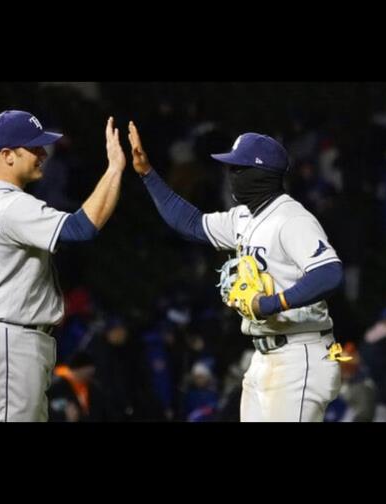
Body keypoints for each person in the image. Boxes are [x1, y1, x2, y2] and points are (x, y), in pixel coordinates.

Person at [127, 122, 347, 422]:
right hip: (264, 356)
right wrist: (147, 174)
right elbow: (190, 223)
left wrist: (270, 303)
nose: (230, 176)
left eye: (237, 169)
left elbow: (329, 273)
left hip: (300, 354)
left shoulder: (291, 219)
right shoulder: (243, 217)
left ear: (260, 174)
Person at [0, 110, 126, 421]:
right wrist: (114, 170)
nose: (43, 153)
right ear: (7, 155)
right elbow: (81, 229)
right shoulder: (13, 205)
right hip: (11, 344)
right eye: (33, 148)